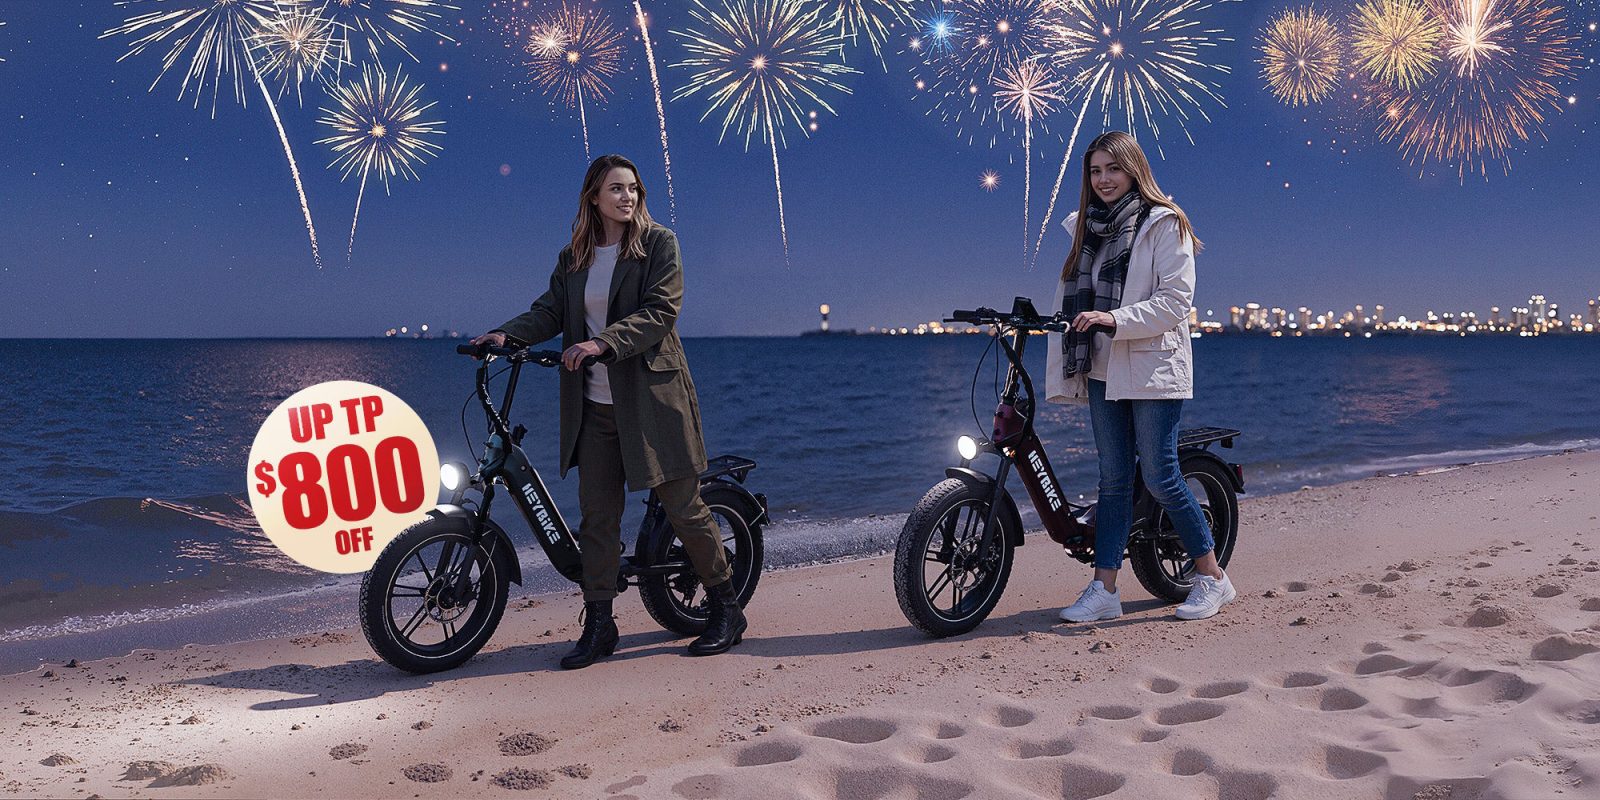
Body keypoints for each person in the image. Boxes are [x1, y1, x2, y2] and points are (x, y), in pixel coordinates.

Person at [470, 154, 746, 668]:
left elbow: (661, 311)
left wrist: (602, 344)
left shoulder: (659, 244)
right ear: (593, 197)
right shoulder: (575, 256)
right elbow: (550, 311)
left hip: (653, 401)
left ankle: (727, 607)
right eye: (616, 189)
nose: (627, 197)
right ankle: (600, 625)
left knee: (684, 507)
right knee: (598, 517)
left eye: (634, 189)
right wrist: (507, 333)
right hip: (593, 407)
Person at [1044, 131, 1237, 623]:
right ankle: (1105, 589)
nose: (1104, 179)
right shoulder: (1085, 228)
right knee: (1112, 481)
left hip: (1152, 368)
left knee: (1160, 475)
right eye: (1094, 171)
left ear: (1134, 170)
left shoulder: (1164, 223)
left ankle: (1214, 578)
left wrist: (1114, 320)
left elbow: (1176, 302)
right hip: (1104, 368)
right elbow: (1074, 297)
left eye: (1113, 168)